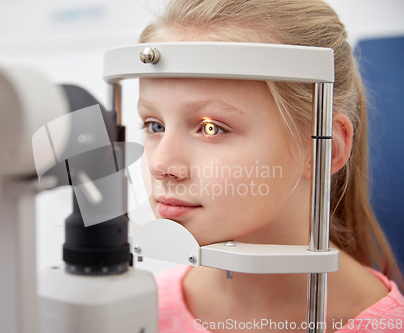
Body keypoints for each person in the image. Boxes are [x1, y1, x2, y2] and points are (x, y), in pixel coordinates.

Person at [136, 0, 404, 332]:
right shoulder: (142, 310)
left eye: (211, 128)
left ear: (324, 148)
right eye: (154, 125)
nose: (161, 165)